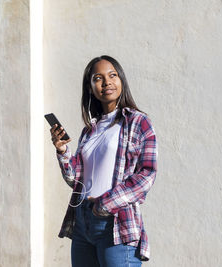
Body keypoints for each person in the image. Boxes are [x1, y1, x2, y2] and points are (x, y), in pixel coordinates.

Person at [49, 55, 157, 267]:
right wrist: (62, 150)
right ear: (90, 88)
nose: (106, 82)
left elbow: (147, 174)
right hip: (82, 222)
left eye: (112, 75)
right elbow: (75, 179)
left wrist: (105, 204)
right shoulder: (90, 130)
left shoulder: (137, 122)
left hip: (115, 222)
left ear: (121, 81)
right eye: (98, 78)